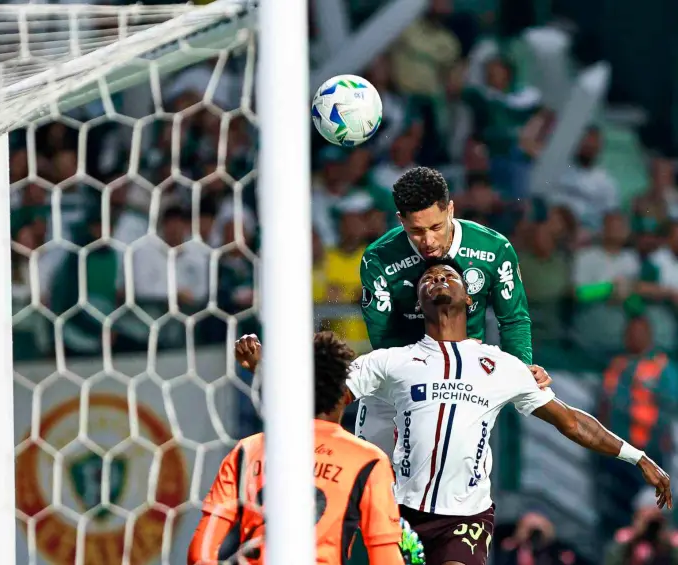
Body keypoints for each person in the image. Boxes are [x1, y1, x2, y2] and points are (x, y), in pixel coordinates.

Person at [345, 258, 671, 565]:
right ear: (418, 304)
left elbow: (571, 421)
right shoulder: (389, 361)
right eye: (428, 279)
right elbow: (330, 396)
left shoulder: (502, 366)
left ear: (470, 300)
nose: (438, 279)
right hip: (399, 510)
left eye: (449, 276)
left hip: (464, 517)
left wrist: (637, 456)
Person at [357, 166, 550, 456]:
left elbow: (512, 319)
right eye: (416, 231)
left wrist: (521, 369)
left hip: (464, 385)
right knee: (372, 475)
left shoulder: (493, 249)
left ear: (450, 209)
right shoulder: (379, 259)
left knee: (454, 483)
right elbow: (384, 337)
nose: (429, 241)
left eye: (435, 227)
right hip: (395, 383)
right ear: (400, 220)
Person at [188, 332, 426, 565]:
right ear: (345, 394)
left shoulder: (247, 451)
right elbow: (384, 557)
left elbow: (200, 553)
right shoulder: (368, 461)